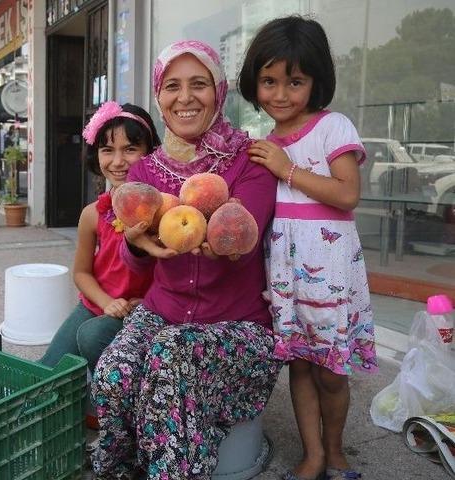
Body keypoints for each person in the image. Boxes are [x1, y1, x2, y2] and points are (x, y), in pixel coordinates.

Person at [90, 40, 282, 479]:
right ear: (159, 96)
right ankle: (120, 468)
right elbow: (136, 261)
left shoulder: (248, 160)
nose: (185, 97)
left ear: (218, 91)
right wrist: (138, 245)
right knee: (114, 372)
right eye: (172, 86)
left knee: (171, 355)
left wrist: (220, 237)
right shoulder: (145, 173)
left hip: (239, 326)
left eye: (199, 84)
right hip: (164, 312)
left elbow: (242, 242)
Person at [239, 17, 377, 480]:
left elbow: (347, 194)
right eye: (269, 81)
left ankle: (335, 451)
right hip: (287, 274)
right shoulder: (264, 146)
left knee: (332, 372)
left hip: (331, 273)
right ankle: (313, 454)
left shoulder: (332, 126)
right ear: (255, 82)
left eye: (294, 82)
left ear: (316, 80)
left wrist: (287, 170)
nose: (280, 94)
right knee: (299, 365)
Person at [39, 101, 158, 374]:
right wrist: (106, 303)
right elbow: (81, 273)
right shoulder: (92, 214)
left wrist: (151, 302)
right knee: (46, 371)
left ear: (150, 152)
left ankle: (107, 391)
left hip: (141, 311)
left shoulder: (161, 211)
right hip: (96, 302)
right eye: (107, 150)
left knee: (92, 338)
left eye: (130, 149)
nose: (117, 161)